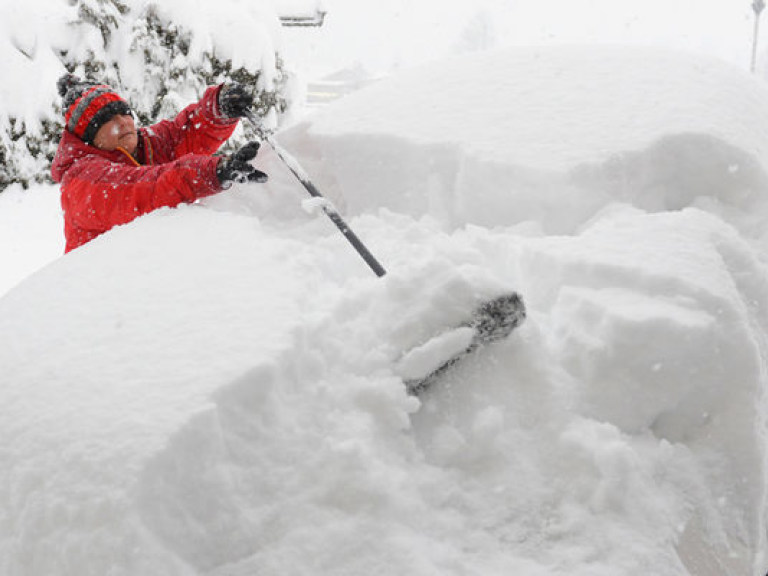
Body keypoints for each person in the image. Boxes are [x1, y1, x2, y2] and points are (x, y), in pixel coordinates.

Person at [51, 74, 268, 253]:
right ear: (90, 137)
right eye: (107, 119)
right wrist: (212, 171)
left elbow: (183, 132)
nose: (122, 122)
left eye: (124, 113)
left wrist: (219, 109)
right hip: (102, 291)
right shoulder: (81, 180)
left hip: (144, 273)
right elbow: (142, 189)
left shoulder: (141, 145)